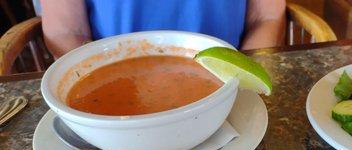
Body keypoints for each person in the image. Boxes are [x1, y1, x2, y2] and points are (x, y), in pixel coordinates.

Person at [41, 0, 286, 59]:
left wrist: (243, 88)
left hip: (227, 81)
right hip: (112, 76)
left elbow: (266, 17)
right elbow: (65, 32)